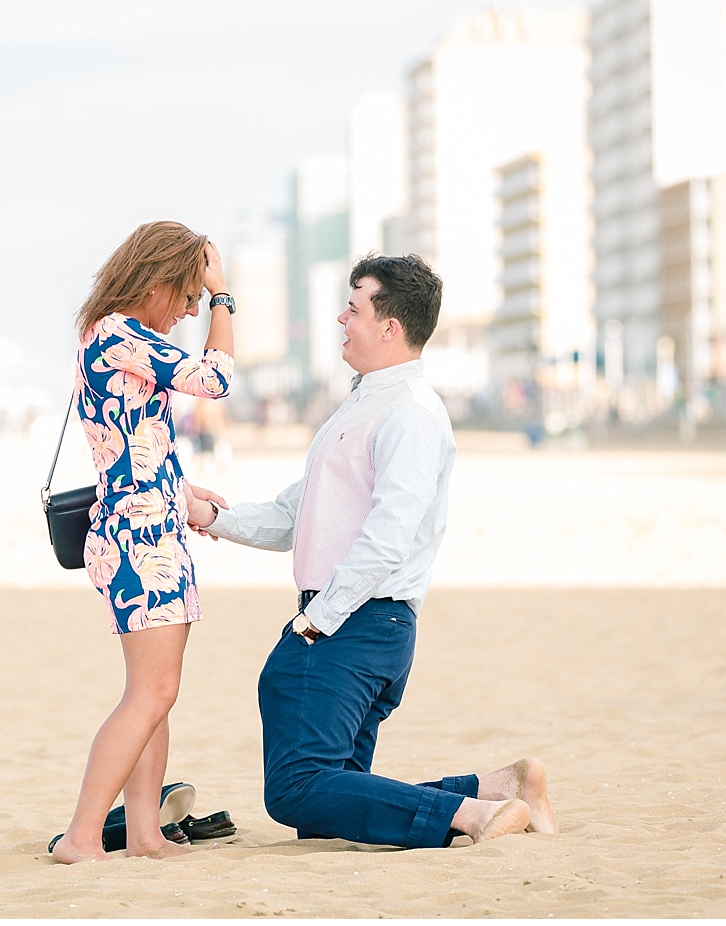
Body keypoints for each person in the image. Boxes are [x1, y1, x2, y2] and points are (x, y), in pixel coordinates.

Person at [184, 253, 558, 849]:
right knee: (330, 802)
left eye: (354, 308)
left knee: (296, 787)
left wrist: (317, 621)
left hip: (359, 620)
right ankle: (496, 788)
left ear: (390, 326)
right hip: (362, 620)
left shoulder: (409, 413)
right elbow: (293, 515)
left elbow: (391, 534)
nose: (341, 318)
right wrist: (209, 516)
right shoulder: (365, 405)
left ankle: (470, 815)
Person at [50, 220, 236, 865]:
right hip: (136, 535)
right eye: (187, 295)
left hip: (150, 523)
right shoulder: (119, 335)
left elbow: (135, 440)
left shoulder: (121, 338)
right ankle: (81, 836)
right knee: (150, 693)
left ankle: (144, 834)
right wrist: (225, 299)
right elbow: (215, 382)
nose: (190, 309)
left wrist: (182, 495)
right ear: (157, 282)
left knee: (159, 691)